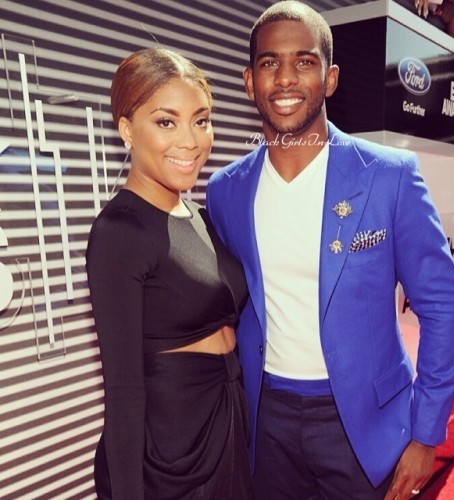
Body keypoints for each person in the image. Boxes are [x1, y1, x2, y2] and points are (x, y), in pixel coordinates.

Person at [206, 2, 454, 499]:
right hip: (268, 422)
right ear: (248, 80)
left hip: (368, 426)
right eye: (268, 63)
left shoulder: (390, 175)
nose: (285, 79)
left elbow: (442, 306)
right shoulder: (225, 191)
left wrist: (427, 432)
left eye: (304, 61)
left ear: (330, 79)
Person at [86, 47, 254, 499]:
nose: (191, 140)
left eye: (200, 120)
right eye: (166, 121)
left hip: (226, 420)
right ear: (126, 129)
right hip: (170, 453)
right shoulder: (119, 231)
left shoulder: (199, 214)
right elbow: (122, 391)